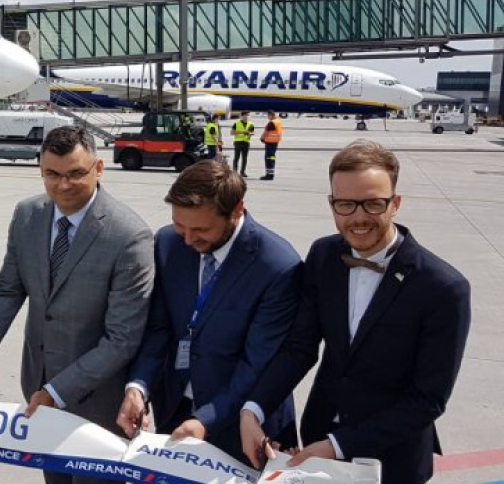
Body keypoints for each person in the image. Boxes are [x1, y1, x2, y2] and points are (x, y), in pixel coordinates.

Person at [240, 141, 472, 484]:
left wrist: (338, 445)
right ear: (332, 204)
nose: (358, 218)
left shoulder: (443, 288)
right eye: (345, 204)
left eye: (373, 204)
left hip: (391, 459)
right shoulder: (323, 255)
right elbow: (300, 348)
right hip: (318, 436)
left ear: (395, 204)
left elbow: (428, 400)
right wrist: (253, 409)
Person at [0, 126, 153, 484]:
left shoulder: (128, 236)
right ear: (41, 170)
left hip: (98, 404)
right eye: (52, 175)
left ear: (99, 168)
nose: (63, 185)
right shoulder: (28, 215)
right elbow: (7, 292)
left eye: (76, 173)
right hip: (39, 386)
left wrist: (58, 391)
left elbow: (122, 338)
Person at [116, 160, 299, 464]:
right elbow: (159, 327)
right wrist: (138, 387)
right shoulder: (168, 243)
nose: (188, 239)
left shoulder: (277, 266)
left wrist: (208, 418)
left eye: (201, 230)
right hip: (176, 410)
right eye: (180, 225)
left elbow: (257, 362)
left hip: (243, 423)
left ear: (237, 210)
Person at [259, 111, 283, 181]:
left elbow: (266, 132)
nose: (268, 117)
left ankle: (268, 175)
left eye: (268, 115)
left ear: (271, 115)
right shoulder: (278, 122)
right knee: (272, 159)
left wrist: (262, 138)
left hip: (269, 143)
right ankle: (271, 174)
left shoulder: (272, 122)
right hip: (275, 143)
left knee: (268, 159)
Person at [231, 112, 255, 177]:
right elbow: (232, 133)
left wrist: (249, 134)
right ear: (241, 116)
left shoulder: (251, 124)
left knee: (244, 158)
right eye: (245, 115)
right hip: (238, 142)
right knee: (236, 157)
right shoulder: (236, 123)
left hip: (246, 142)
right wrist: (243, 132)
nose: (246, 117)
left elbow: (253, 133)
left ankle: (242, 172)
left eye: (248, 115)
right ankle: (235, 171)